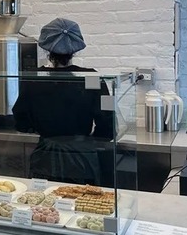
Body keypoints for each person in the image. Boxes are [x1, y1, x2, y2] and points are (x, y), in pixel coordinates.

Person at [13, 17, 114, 185]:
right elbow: (108, 122)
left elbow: (20, 120)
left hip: (45, 158)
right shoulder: (92, 77)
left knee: (44, 207)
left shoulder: (33, 78)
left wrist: (42, 133)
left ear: (46, 48)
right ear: (75, 49)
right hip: (83, 160)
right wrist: (87, 141)